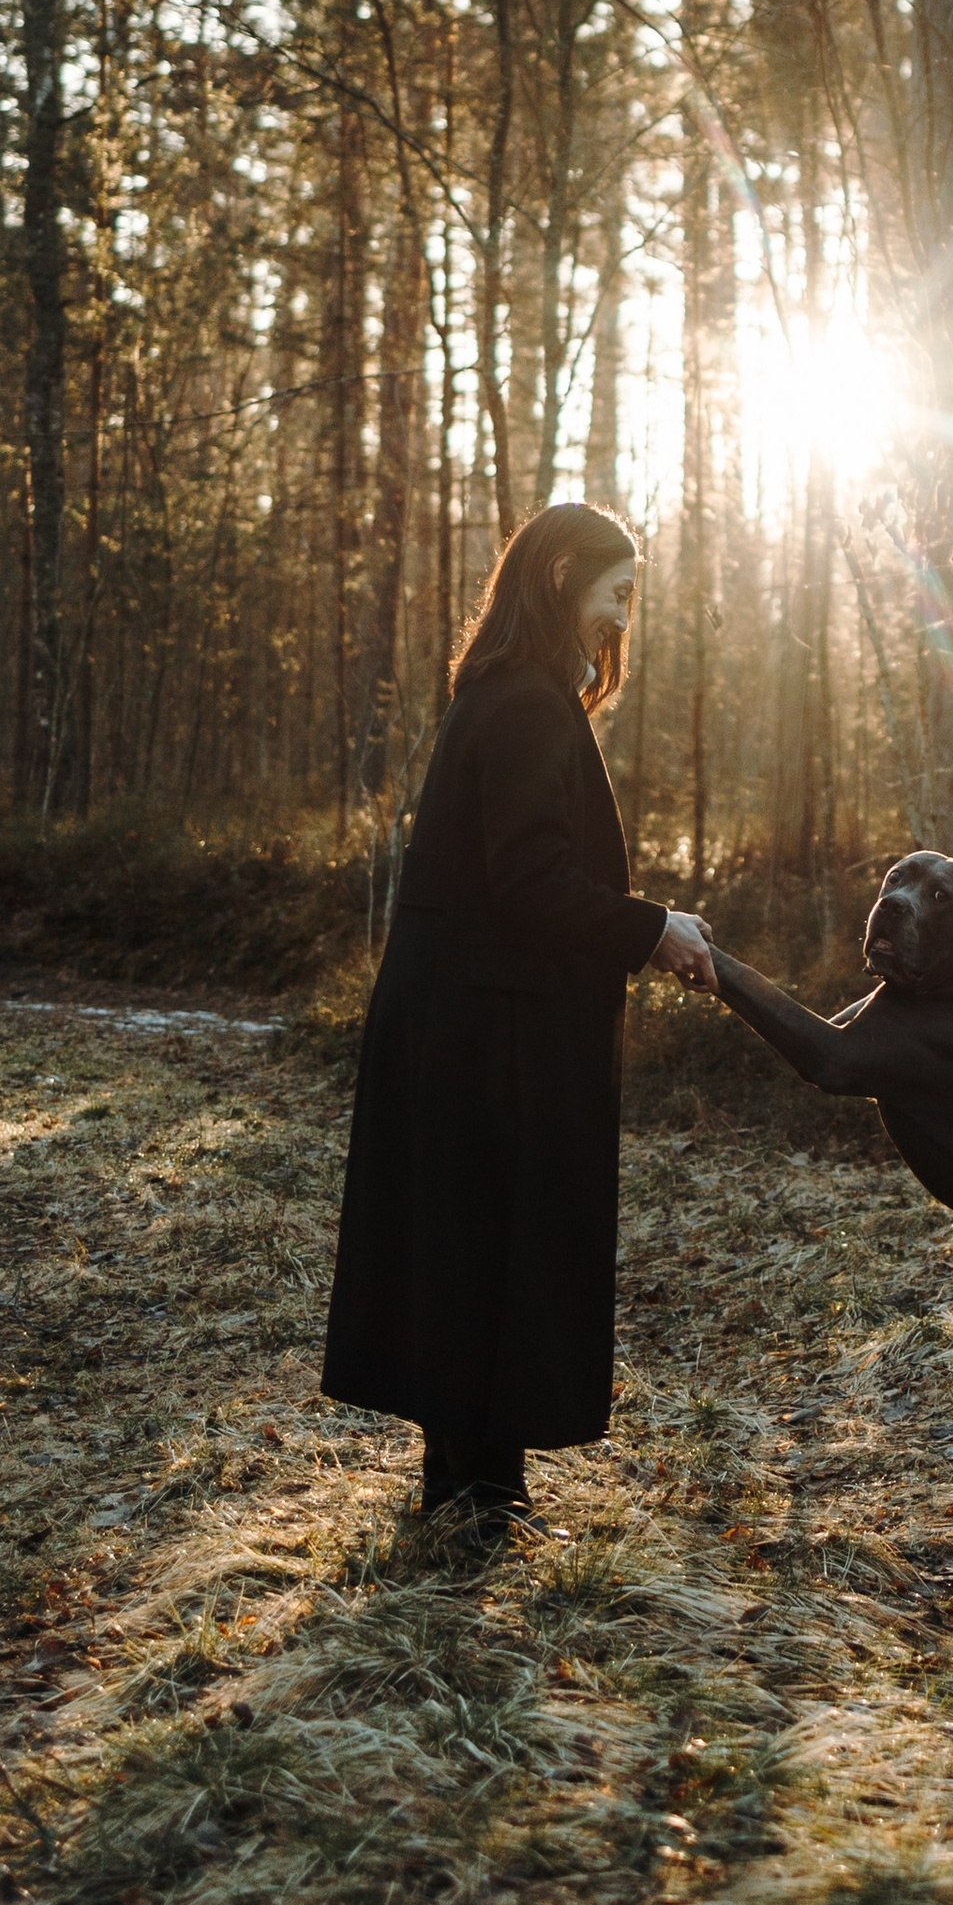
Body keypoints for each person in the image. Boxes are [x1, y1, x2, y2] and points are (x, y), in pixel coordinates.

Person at [321, 501, 715, 1528]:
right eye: (614, 594)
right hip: (489, 1027)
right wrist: (654, 929)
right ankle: (483, 1492)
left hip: (463, 1017)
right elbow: (532, 882)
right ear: (558, 583)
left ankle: (465, 1485)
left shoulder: (499, 696)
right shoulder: (527, 708)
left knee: (462, 1244)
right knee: (488, 1245)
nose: (621, 619)